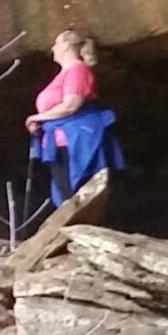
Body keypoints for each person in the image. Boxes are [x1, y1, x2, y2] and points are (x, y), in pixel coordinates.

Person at [25, 28, 122, 206]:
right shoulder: (64, 74)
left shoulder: (78, 70)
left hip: (75, 139)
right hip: (60, 141)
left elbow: (71, 104)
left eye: (56, 43)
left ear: (65, 46)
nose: (52, 48)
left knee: (76, 191)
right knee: (65, 193)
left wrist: (37, 118)